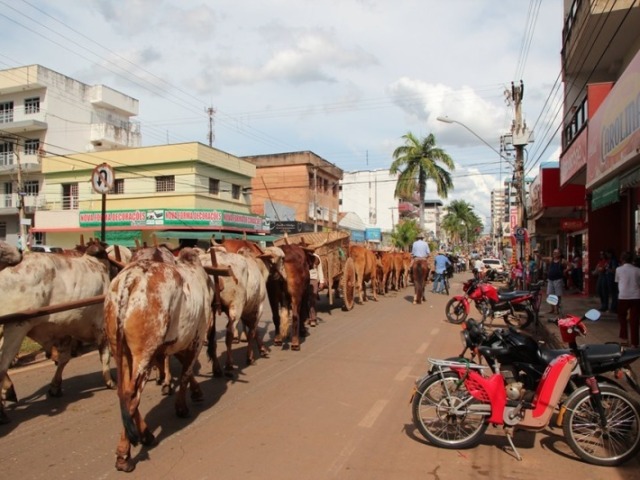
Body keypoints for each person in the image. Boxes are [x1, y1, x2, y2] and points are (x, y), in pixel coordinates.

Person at [614, 251, 640, 347]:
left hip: (623, 296)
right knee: (635, 320)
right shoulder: (637, 270)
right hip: (636, 296)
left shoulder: (619, 269)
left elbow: (617, 281)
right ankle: (635, 342)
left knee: (622, 317)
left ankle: (624, 337)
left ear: (622, 259)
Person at [307, 253, 325, 328]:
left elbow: (320, 270)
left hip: (313, 280)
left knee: (312, 300)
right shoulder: (301, 256)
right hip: (303, 280)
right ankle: (307, 317)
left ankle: (313, 319)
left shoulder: (316, 257)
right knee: (304, 300)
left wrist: (321, 281)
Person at [546, 248, 566, 315]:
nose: (554, 254)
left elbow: (570, 265)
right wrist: (537, 254)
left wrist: (565, 271)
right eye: (554, 252)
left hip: (558, 280)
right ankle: (552, 309)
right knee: (550, 294)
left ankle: (557, 309)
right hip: (550, 280)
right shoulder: (551, 259)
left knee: (558, 295)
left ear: (560, 254)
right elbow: (542, 259)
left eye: (556, 252)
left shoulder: (562, 261)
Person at [605, 248, 619, 313]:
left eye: (607, 254)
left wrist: (608, 269)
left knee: (614, 294)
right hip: (610, 278)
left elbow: (614, 270)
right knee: (613, 293)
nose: (607, 255)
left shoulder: (613, 260)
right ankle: (613, 307)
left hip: (612, 278)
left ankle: (614, 307)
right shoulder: (610, 260)